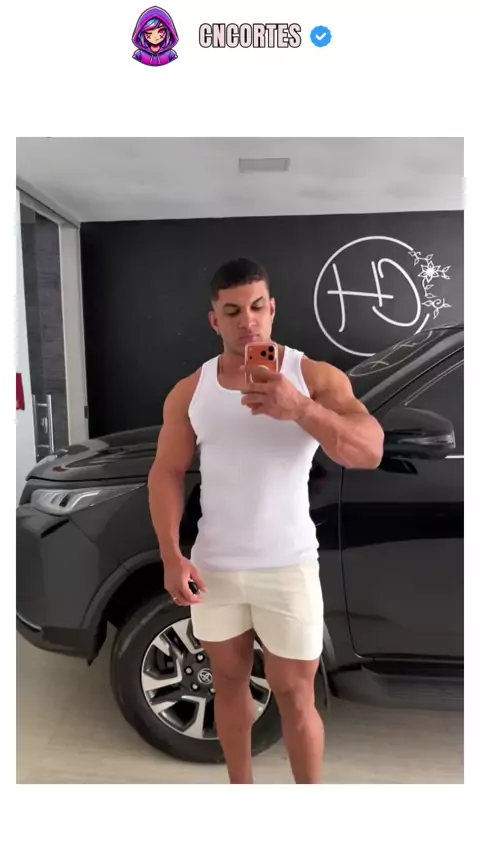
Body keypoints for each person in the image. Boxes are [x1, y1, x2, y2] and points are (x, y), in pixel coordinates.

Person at [148, 258, 384, 784]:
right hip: (215, 569)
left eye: (257, 307)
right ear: (215, 320)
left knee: (297, 695)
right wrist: (170, 554)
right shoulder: (191, 390)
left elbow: (368, 451)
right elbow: (166, 471)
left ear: (272, 309)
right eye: (233, 312)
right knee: (228, 684)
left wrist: (300, 409)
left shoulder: (313, 377)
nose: (247, 321)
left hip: (288, 565)